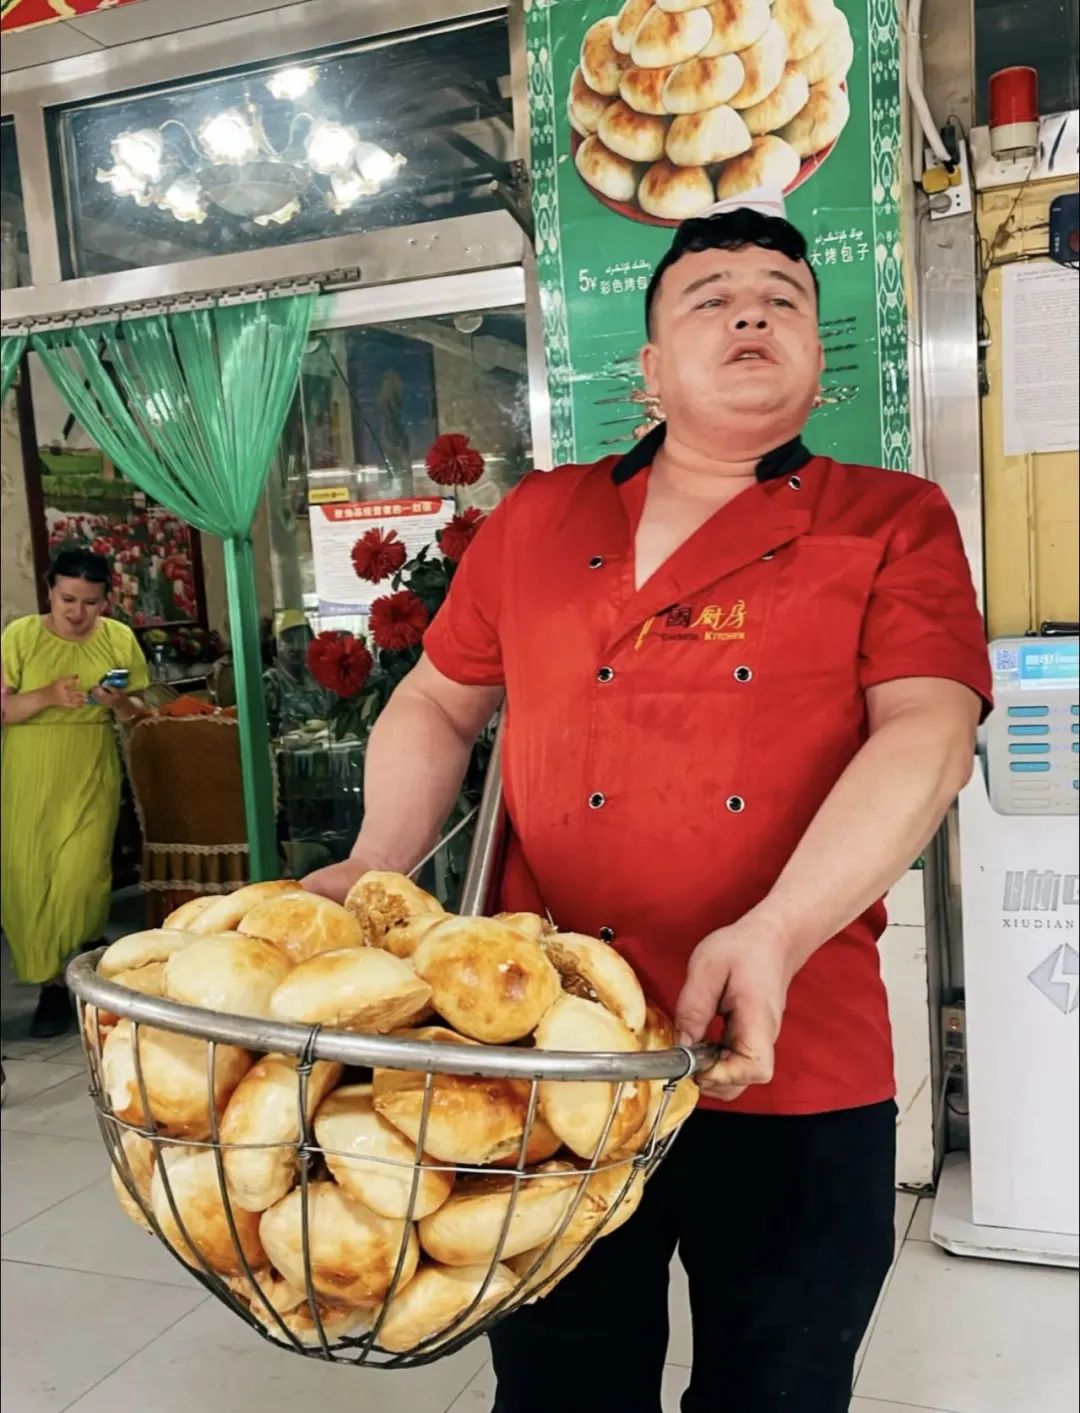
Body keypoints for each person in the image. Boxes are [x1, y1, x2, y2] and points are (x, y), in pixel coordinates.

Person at [304, 192, 992, 1413]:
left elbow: (929, 730)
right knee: (565, 1380)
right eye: (710, 301)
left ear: (819, 358)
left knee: (779, 1382)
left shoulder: (890, 519)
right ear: (650, 366)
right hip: (538, 1040)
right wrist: (376, 863)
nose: (750, 316)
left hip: (791, 1047)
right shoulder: (537, 517)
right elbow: (437, 704)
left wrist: (773, 932)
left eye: (783, 301)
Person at [1, 549, 150, 1037]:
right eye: (67, 599)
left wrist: (119, 701)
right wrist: (46, 696)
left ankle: (76, 954)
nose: (77, 612)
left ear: (107, 600)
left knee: (81, 876)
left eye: (90, 602)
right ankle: (49, 984)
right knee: (28, 880)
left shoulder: (119, 640)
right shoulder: (20, 636)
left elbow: (137, 712)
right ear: (49, 591)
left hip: (90, 764)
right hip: (29, 768)